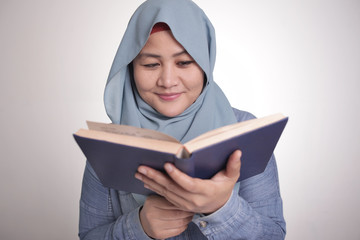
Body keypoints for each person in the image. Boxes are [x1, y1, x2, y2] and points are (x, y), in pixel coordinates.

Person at [78, 0, 286, 239]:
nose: (167, 80)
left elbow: (274, 235)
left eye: (184, 62)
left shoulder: (244, 131)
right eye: (151, 64)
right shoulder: (110, 144)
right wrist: (139, 226)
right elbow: (89, 235)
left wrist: (220, 208)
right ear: (130, 67)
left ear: (205, 62)